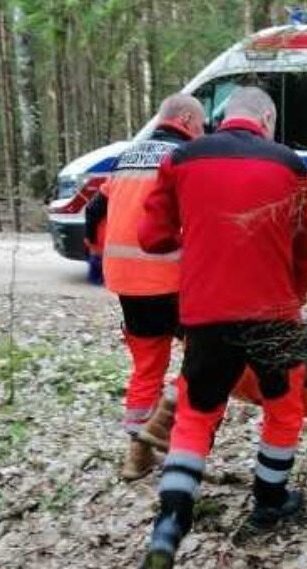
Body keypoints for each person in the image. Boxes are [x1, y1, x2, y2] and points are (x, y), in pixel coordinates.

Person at [137, 86, 307, 569]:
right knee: (284, 405)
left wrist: (197, 229)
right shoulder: (291, 166)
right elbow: (306, 244)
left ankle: (170, 525)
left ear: (225, 116)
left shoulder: (181, 159)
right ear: (265, 118)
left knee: (196, 414)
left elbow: (153, 238)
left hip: (206, 313)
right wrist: (296, 297)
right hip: (275, 314)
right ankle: (269, 501)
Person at [84, 94, 205, 481]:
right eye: (201, 125)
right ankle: (164, 427)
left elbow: (93, 210)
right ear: (185, 119)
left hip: (127, 282)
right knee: (203, 359)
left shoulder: (128, 156)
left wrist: (97, 253)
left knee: (146, 367)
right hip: (172, 278)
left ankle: (136, 454)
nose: (203, 133)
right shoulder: (186, 157)